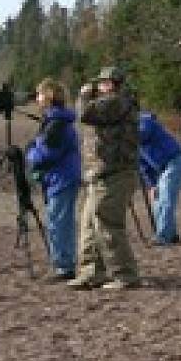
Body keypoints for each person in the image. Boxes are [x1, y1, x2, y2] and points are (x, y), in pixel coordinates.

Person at [68, 66, 140, 290]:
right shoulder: (112, 102)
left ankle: (125, 275)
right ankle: (91, 272)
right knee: (89, 225)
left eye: (103, 83)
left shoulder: (117, 101)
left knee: (108, 223)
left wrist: (83, 94)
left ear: (114, 84)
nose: (99, 87)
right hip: (100, 173)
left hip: (115, 173)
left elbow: (84, 114)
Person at [26, 78, 81, 281]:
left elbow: (47, 154)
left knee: (58, 222)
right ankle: (64, 264)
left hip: (62, 178)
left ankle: (64, 267)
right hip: (62, 177)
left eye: (40, 94)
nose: (37, 98)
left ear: (48, 97)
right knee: (60, 221)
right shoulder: (56, 121)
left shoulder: (56, 124)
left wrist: (30, 153)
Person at [138, 110, 181, 245]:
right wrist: (152, 185)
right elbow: (144, 166)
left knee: (166, 197)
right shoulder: (130, 136)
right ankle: (170, 234)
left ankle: (163, 236)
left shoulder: (144, 120)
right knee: (157, 199)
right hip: (160, 168)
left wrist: (123, 135)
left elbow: (143, 134)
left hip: (175, 160)